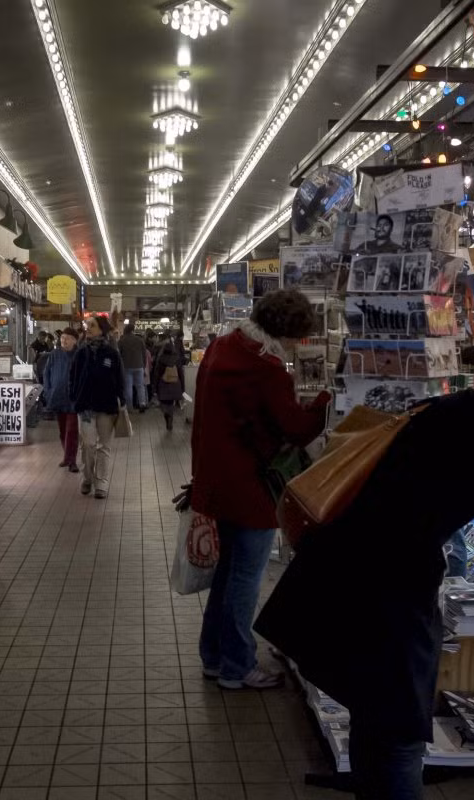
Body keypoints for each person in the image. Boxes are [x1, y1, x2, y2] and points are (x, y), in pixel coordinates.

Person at [254, 368, 474, 800]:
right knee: (400, 733)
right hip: (387, 592)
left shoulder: (463, 409)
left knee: (372, 714)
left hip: (347, 568)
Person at [190, 290, 332, 690]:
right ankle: (237, 666)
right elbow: (297, 428)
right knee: (245, 580)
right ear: (284, 332)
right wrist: (324, 398)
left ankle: (214, 656)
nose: (294, 347)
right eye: (294, 339)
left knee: (228, 574)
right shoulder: (266, 368)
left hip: (216, 480)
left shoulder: (222, 347)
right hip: (252, 487)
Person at [70, 315, 123, 500]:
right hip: (85, 406)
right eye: (87, 325)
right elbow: (73, 377)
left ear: (102, 329)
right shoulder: (81, 353)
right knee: (88, 445)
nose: (88, 328)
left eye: (92, 325)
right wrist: (74, 398)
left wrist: (122, 400)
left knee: (104, 447)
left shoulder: (111, 353)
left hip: (106, 406)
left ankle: (101, 483)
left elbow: (119, 378)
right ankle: (87, 478)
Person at [44, 327, 80, 472]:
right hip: (57, 396)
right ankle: (67, 457)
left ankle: (71, 461)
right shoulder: (54, 354)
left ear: (75, 340)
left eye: (68, 338)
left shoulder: (79, 355)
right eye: (62, 338)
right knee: (63, 429)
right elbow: (46, 373)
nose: (64, 340)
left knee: (72, 430)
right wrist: (48, 390)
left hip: (73, 399)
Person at [151, 337, 186, 432]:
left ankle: (167, 417)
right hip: (175, 384)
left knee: (164, 404)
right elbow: (181, 374)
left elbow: (157, 375)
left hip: (163, 385)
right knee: (171, 403)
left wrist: (154, 388)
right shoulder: (177, 359)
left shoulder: (161, 359)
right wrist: (183, 388)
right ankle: (170, 418)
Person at [118, 323, 148, 412]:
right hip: (139, 366)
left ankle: (129, 407)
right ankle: (142, 403)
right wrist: (143, 365)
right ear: (133, 330)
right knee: (140, 386)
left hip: (127, 366)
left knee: (128, 387)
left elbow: (118, 354)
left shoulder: (122, 340)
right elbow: (144, 354)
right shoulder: (139, 340)